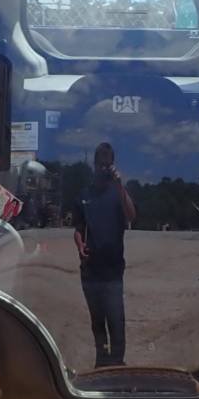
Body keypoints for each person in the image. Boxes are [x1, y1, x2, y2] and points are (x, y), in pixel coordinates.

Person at [73, 142, 136, 367]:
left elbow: (131, 215)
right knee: (97, 321)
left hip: (112, 270)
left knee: (116, 321)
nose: (103, 168)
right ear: (94, 164)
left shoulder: (117, 194)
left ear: (112, 165)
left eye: (107, 164)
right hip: (90, 270)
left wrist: (120, 186)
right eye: (100, 163)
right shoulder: (84, 195)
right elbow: (78, 228)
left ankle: (118, 363)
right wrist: (80, 245)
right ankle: (102, 362)